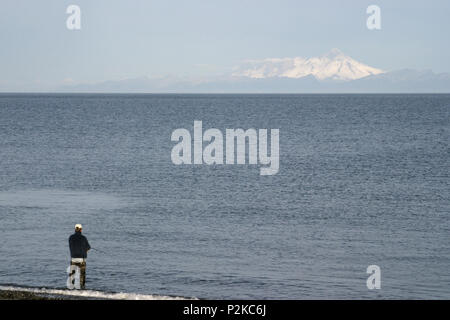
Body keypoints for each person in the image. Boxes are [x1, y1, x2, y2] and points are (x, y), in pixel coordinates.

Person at [68, 224, 91, 289]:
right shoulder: (84, 238)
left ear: (75, 229)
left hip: (73, 258)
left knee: (72, 275)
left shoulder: (70, 237)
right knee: (82, 275)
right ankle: (82, 288)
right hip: (81, 259)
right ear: (81, 229)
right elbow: (88, 248)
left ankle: (70, 288)